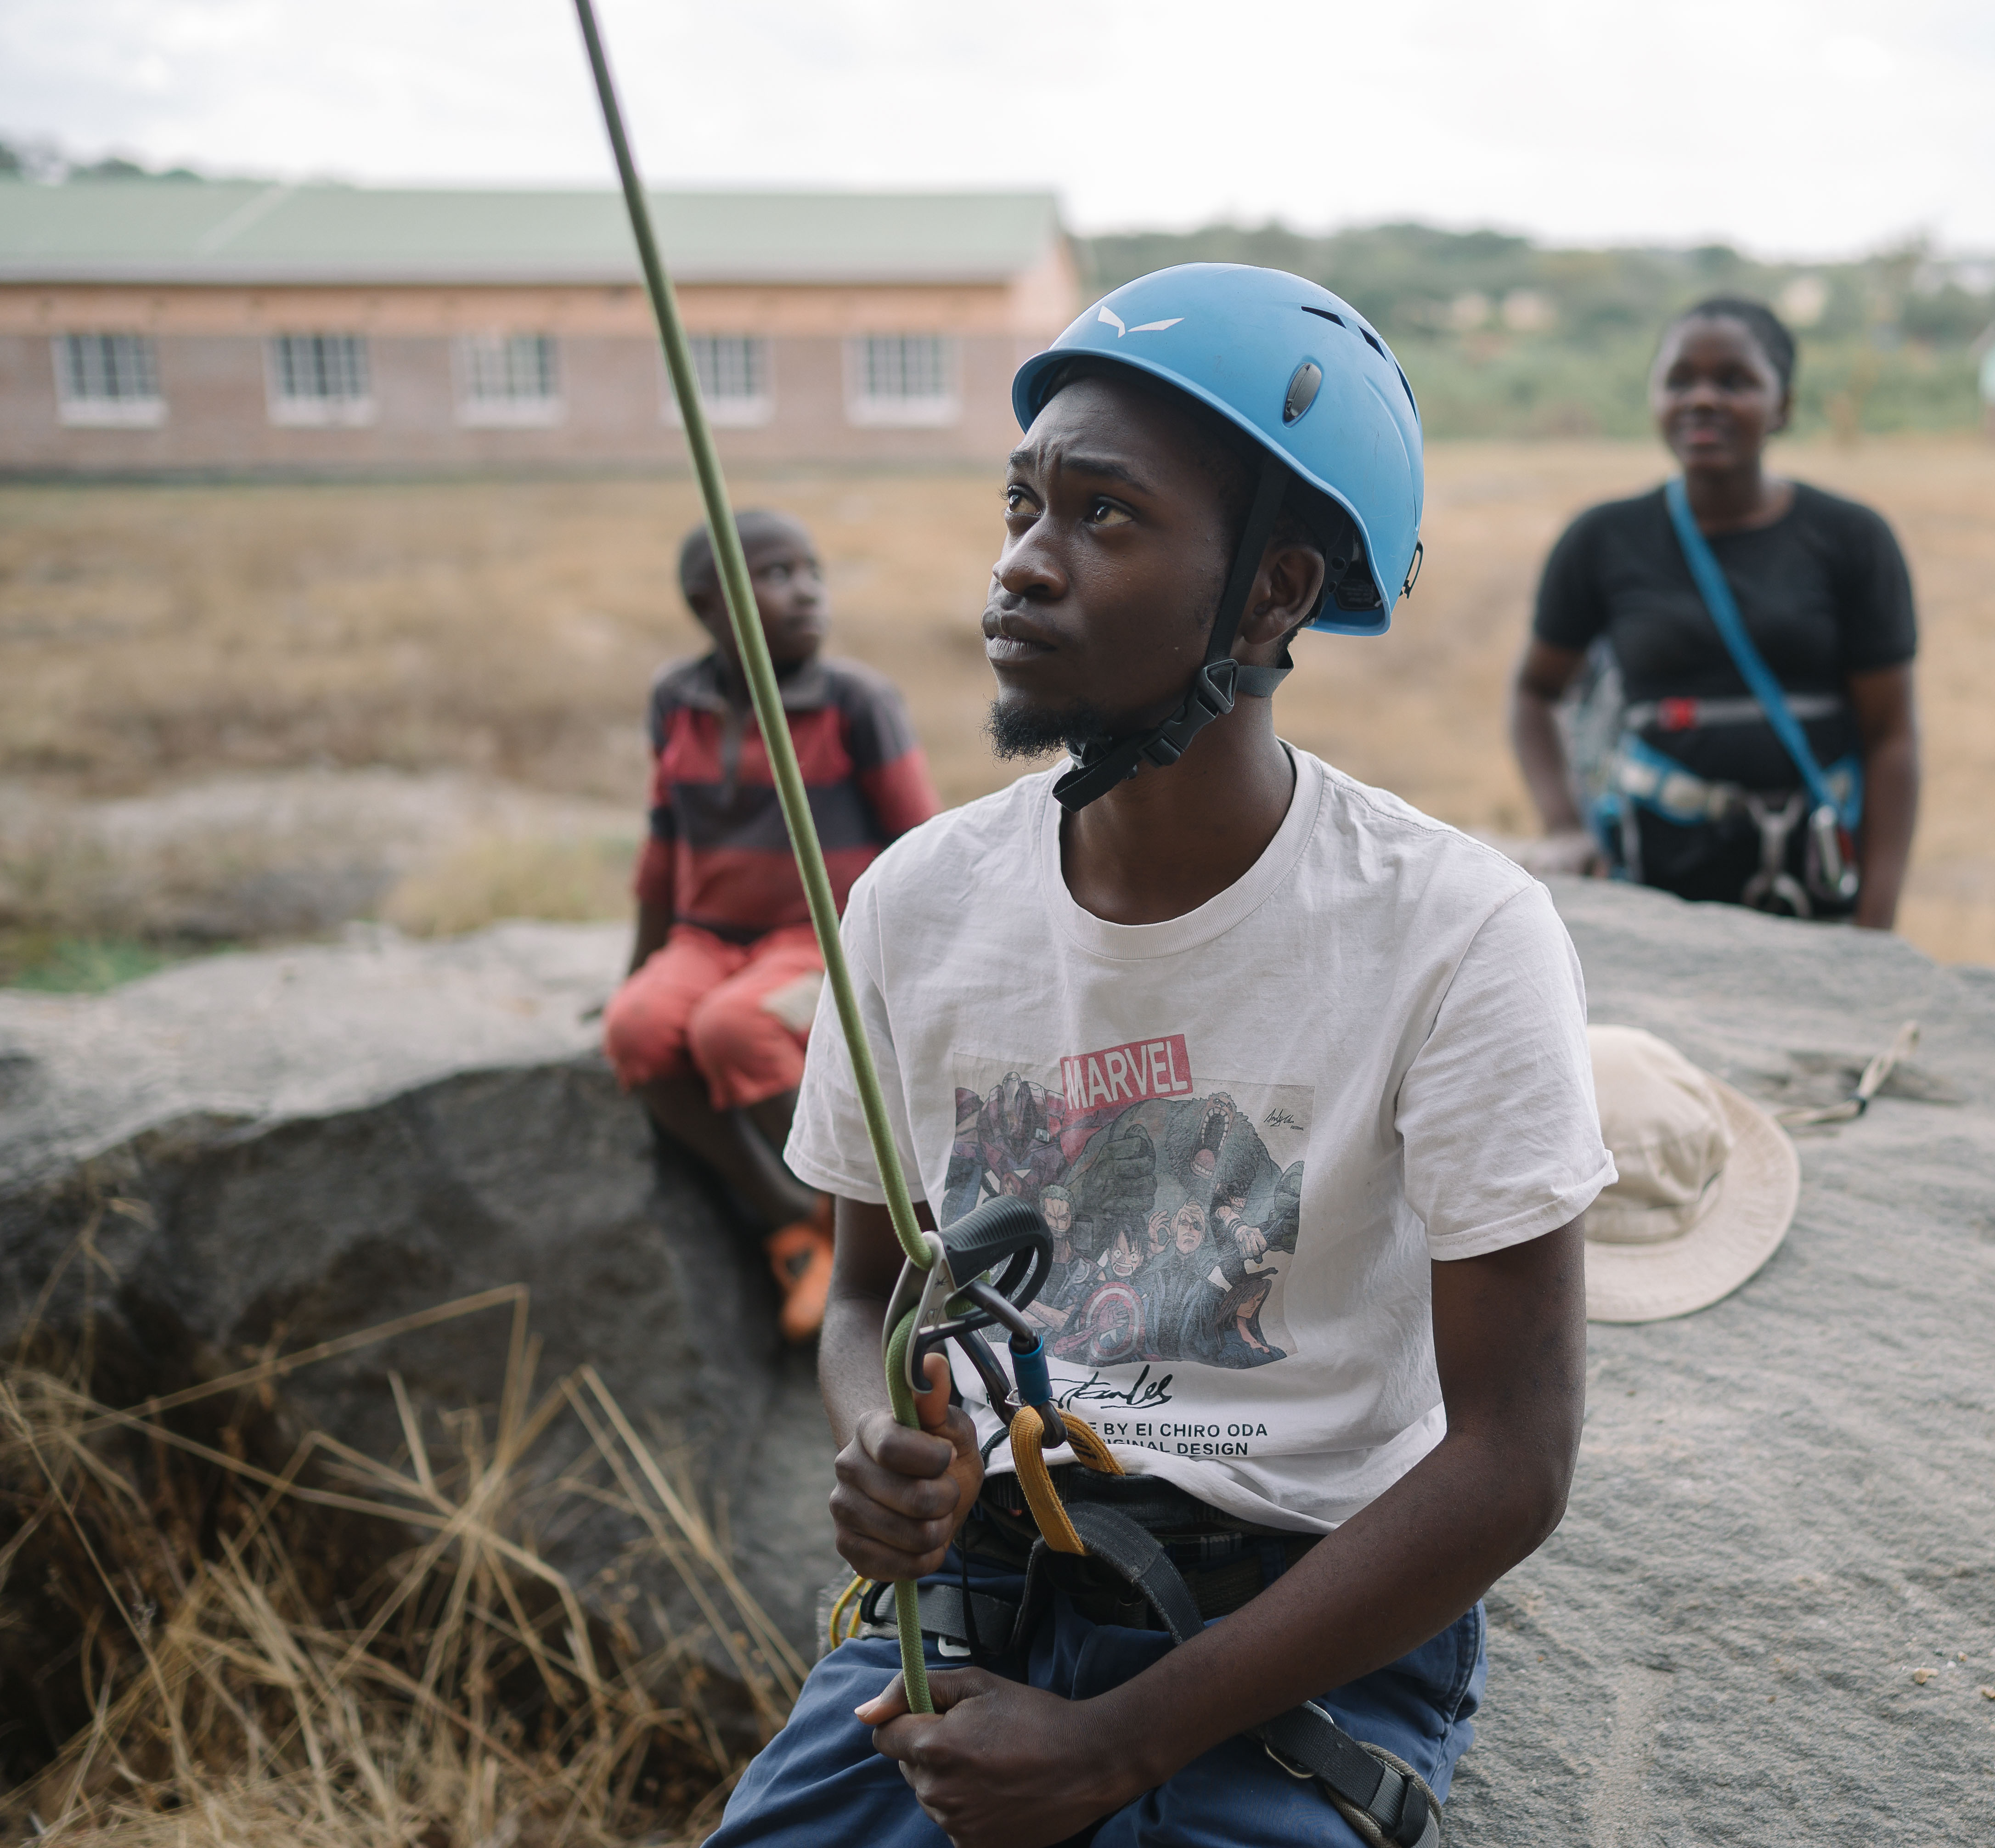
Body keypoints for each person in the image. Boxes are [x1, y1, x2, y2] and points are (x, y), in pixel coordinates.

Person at [702, 265, 1610, 1848]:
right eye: (1019, 503)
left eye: (1103, 517)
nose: (1020, 568)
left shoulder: (1456, 935)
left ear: (1272, 593)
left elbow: (1511, 1461)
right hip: (980, 1585)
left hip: (1291, 1613)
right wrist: (877, 1439)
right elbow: (863, 1299)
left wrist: (1121, 1743)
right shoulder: (917, 903)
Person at [600, 510, 939, 1342]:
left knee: (734, 1030)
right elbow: (664, 843)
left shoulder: (856, 702)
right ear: (707, 602)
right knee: (637, 1027)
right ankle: (793, 1221)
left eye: (812, 572)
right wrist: (638, 968)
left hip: (816, 947)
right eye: (777, 575)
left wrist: (914, 982)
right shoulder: (676, 702)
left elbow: (926, 846)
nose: (807, 592)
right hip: (705, 938)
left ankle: (839, 1235)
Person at [1508, 297, 1922, 927]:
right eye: (1679, 380)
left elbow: (1891, 736)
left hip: (1815, 882)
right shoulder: (1601, 540)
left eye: (1735, 381)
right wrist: (1565, 826)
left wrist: (1877, 921)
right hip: (1655, 882)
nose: (1703, 399)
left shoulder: (1852, 539)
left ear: (1783, 406)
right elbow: (1535, 692)